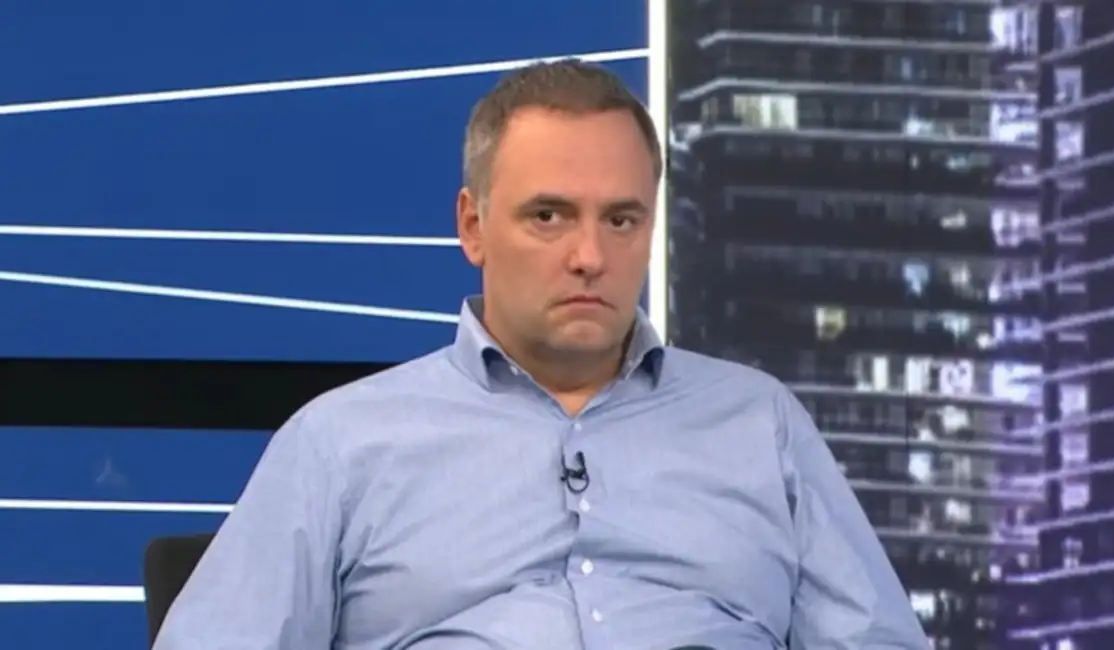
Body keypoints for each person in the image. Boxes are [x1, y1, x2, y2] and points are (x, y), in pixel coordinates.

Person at [154, 60, 929, 649]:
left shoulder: (758, 423)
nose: (589, 256)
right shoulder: (341, 444)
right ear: (473, 226)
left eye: (620, 220)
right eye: (549, 216)